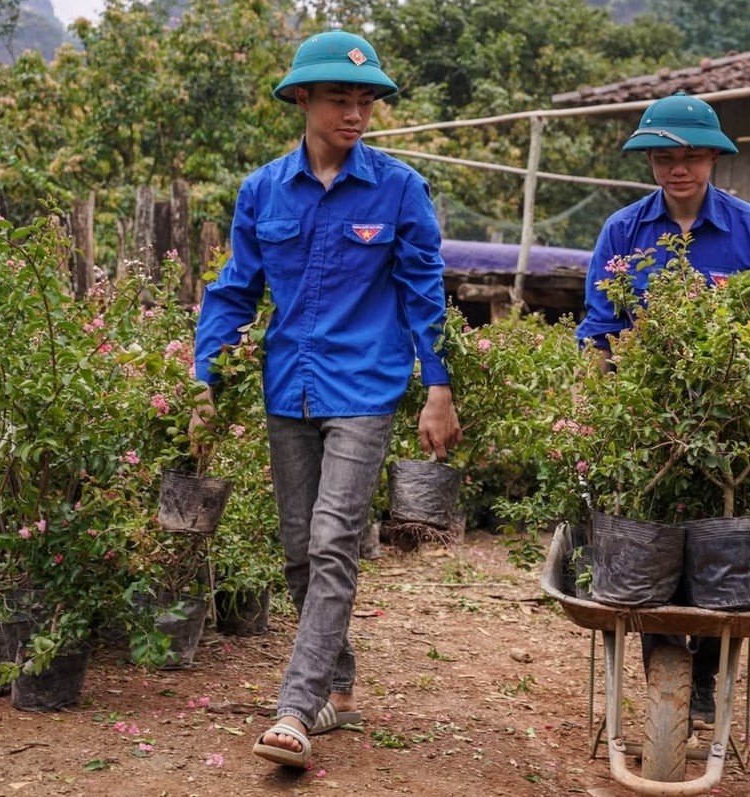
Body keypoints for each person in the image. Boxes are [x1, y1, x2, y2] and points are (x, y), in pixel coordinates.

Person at [191, 30, 462, 770]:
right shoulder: (262, 192)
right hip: (290, 387)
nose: (356, 112)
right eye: (341, 98)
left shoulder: (399, 189)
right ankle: (339, 689)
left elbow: (421, 289)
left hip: (366, 387)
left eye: (366, 99)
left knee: (333, 538)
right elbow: (234, 290)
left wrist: (437, 386)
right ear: (301, 99)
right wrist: (203, 379)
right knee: (296, 551)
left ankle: (294, 708)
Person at [576, 91, 750, 728]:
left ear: (714, 158)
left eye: (692, 155)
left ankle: (707, 676)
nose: (678, 168)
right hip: (646, 423)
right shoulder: (623, 232)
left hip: (730, 428)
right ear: (650, 162)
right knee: (646, 547)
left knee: (724, 550)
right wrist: (595, 411)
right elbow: (598, 329)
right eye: (664, 156)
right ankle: (665, 655)